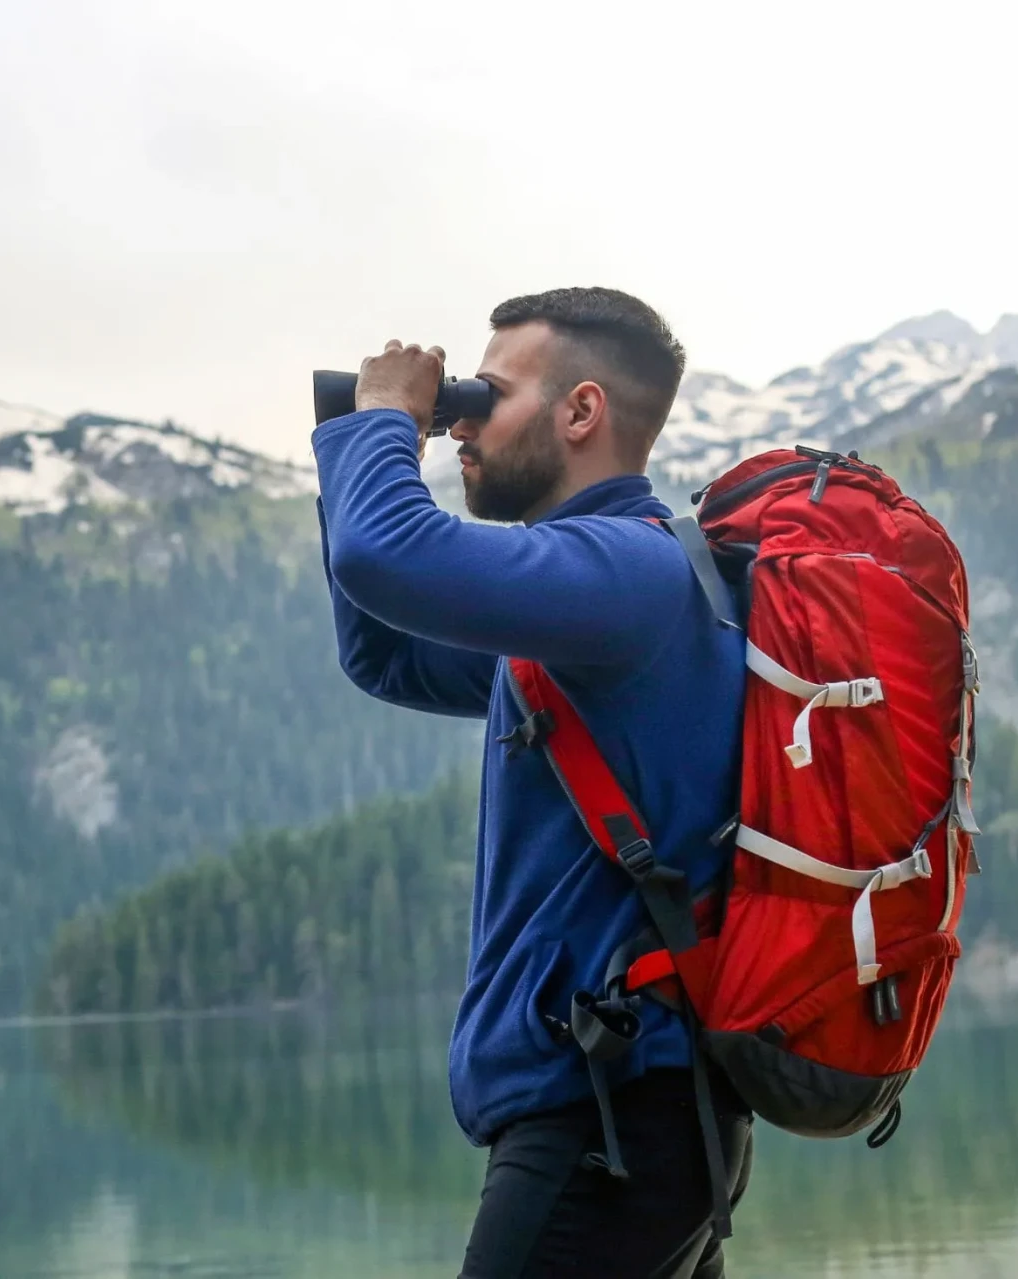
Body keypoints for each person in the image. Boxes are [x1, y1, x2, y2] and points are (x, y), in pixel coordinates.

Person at [311, 287, 753, 1278]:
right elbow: (387, 653)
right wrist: (347, 444)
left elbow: (386, 555)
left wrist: (386, 419)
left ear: (582, 412)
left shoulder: (628, 579)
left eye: (486, 395)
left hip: (610, 1118)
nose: (460, 419)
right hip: (627, 1112)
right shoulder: (587, 607)